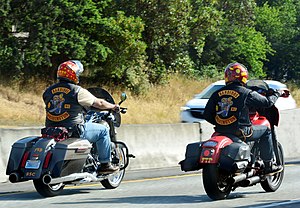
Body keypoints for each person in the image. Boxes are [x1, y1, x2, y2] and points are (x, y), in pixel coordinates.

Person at [203, 62, 283, 175]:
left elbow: (207, 114)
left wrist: (222, 123)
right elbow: (267, 102)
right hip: (242, 132)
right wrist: (276, 94)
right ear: (244, 77)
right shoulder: (246, 93)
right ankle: (268, 165)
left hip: (221, 131)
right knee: (266, 130)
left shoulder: (217, 93)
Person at [43, 60, 119, 174]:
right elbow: (99, 103)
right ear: (74, 75)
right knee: (103, 130)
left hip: (52, 130)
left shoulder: (48, 91)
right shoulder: (77, 91)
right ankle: (105, 165)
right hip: (74, 130)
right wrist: (113, 106)